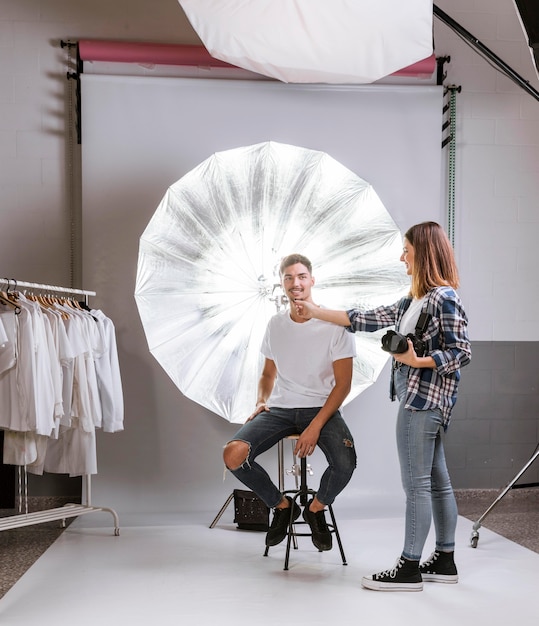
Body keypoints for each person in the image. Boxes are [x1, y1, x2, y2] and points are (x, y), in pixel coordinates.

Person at [294, 222, 471, 591]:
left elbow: (460, 353)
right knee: (437, 483)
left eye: (406, 250)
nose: (401, 256)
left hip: (423, 402)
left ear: (422, 252)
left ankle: (408, 567)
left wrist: (415, 359)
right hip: (418, 399)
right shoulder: (413, 300)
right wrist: (314, 310)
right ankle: (445, 559)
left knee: (417, 485)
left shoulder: (444, 298)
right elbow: (364, 318)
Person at [223, 253, 357, 552]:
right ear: (282, 283)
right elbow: (268, 373)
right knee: (233, 454)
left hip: (322, 408)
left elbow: (343, 385)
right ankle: (283, 506)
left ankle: (315, 509)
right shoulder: (275, 324)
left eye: (301, 277)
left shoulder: (335, 325)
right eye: (288, 278)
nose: (295, 283)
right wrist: (260, 400)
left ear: (312, 280)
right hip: (281, 409)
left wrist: (315, 427)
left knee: (345, 464)